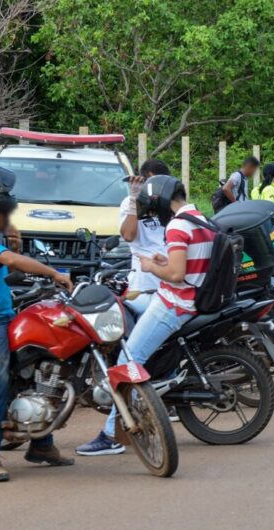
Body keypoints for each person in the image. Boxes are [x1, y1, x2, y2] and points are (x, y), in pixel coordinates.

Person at [76, 176, 213, 453]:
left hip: (174, 304)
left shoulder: (177, 225)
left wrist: (151, 267)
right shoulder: (200, 219)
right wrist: (163, 261)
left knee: (129, 361)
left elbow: (175, 274)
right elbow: (188, 265)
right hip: (191, 299)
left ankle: (112, 434)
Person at [0, 166, 75, 482]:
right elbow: (10, 263)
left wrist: (16, 247)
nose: (12, 205)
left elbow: (9, 270)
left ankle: (41, 444)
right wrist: (53, 273)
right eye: (7, 200)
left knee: (36, 367)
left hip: (4, 315)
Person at [118, 159, 171, 315]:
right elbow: (128, 235)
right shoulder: (130, 202)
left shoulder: (168, 204)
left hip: (171, 281)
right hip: (144, 285)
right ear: (150, 178)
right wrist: (135, 198)